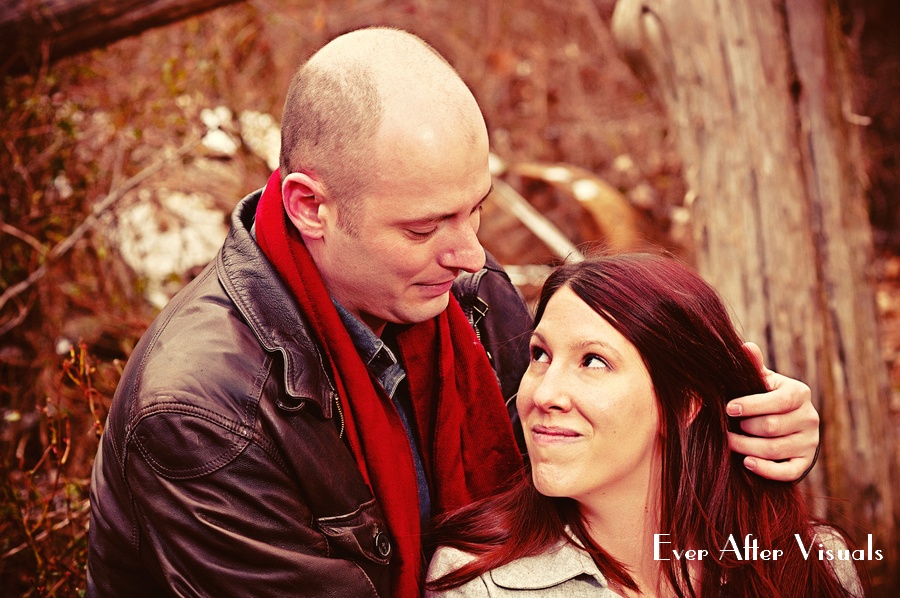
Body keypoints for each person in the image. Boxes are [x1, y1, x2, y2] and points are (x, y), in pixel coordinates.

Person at [87, 28, 819, 597]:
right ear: (311, 206)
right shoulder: (200, 414)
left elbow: (582, 437)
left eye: (477, 210)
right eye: (423, 227)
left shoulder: (457, 292)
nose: (472, 254)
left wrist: (738, 433)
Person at [426, 254, 865, 598]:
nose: (543, 395)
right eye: (540, 355)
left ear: (684, 402)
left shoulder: (814, 562)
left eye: (593, 361)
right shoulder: (477, 582)